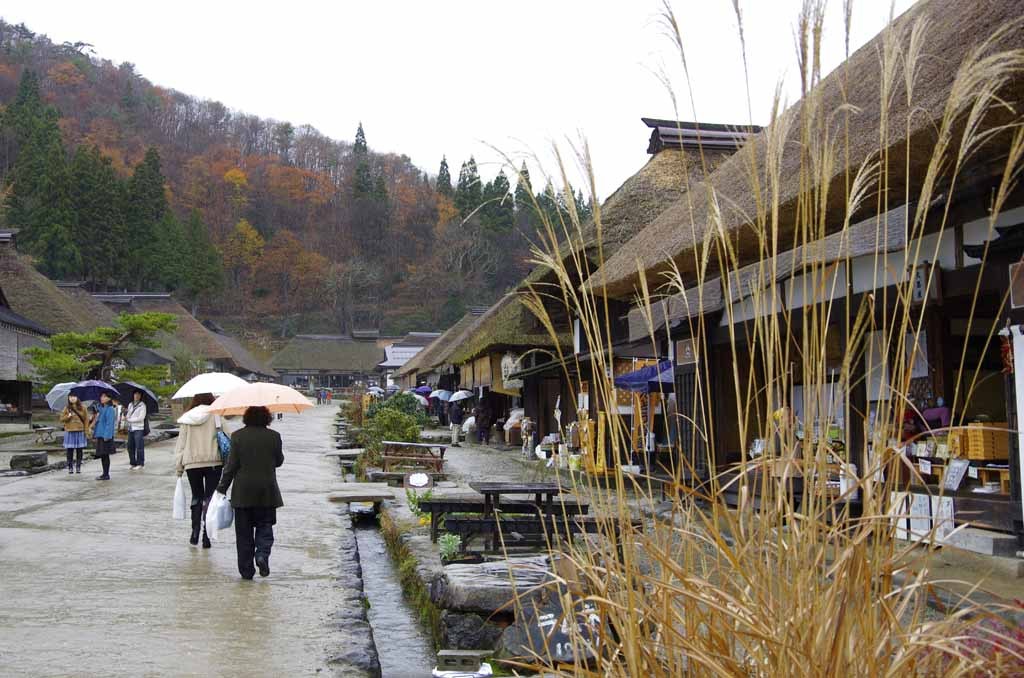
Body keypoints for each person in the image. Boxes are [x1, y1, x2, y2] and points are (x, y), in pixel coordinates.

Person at [216, 405, 284, 580]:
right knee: (265, 527)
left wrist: (221, 489)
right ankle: (261, 554)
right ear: (267, 418)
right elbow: (279, 461)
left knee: (244, 534)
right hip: (267, 491)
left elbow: (230, 467)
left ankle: (246, 572)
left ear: (246, 418)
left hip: (242, 493)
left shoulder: (238, 436)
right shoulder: (274, 436)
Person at [174, 393, 222, 548]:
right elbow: (228, 437)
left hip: (192, 463)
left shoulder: (187, 418)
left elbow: (181, 444)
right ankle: (206, 536)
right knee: (209, 499)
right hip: (213, 461)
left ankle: (194, 531)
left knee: (197, 496)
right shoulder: (216, 415)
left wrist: (179, 466)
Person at [60, 394, 90, 474]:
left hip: (80, 431)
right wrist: (68, 416)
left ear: (77, 398)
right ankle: (70, 467)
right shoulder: (66, 408)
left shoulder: (83, 407)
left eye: (74, 396)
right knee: (69, 450)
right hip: (70, 431)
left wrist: (86, 431)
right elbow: (61, 419)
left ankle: (78, 467)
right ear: (68, 398)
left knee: (79, 450)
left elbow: (86, 420)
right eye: (70, 397)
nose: (72, 398)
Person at [91, 393, 117, 481]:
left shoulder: (110, 409)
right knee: (102, 455)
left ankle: (106, 474)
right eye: (101, 396)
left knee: (105, 455)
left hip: (105, 435)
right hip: (100, 434)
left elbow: (110, 424)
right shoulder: (101, 409)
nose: (102, 398)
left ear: (109, 398)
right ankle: (104, 473)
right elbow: (98, 421)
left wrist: (107, 435)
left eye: (105, 396)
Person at [124, 390, 148, 470]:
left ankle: (140, 463)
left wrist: (130, 420)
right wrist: (126, 417)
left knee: (139, 446)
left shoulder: (142, 405)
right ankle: (132, 463)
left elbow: (141, 418)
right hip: (131, 428)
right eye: (135, 394)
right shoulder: (130, 404)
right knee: (130, 446)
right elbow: (128, 415)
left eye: (138, 394)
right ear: (133, 395)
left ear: (140, 396)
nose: (136, 396)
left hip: (138, 428)